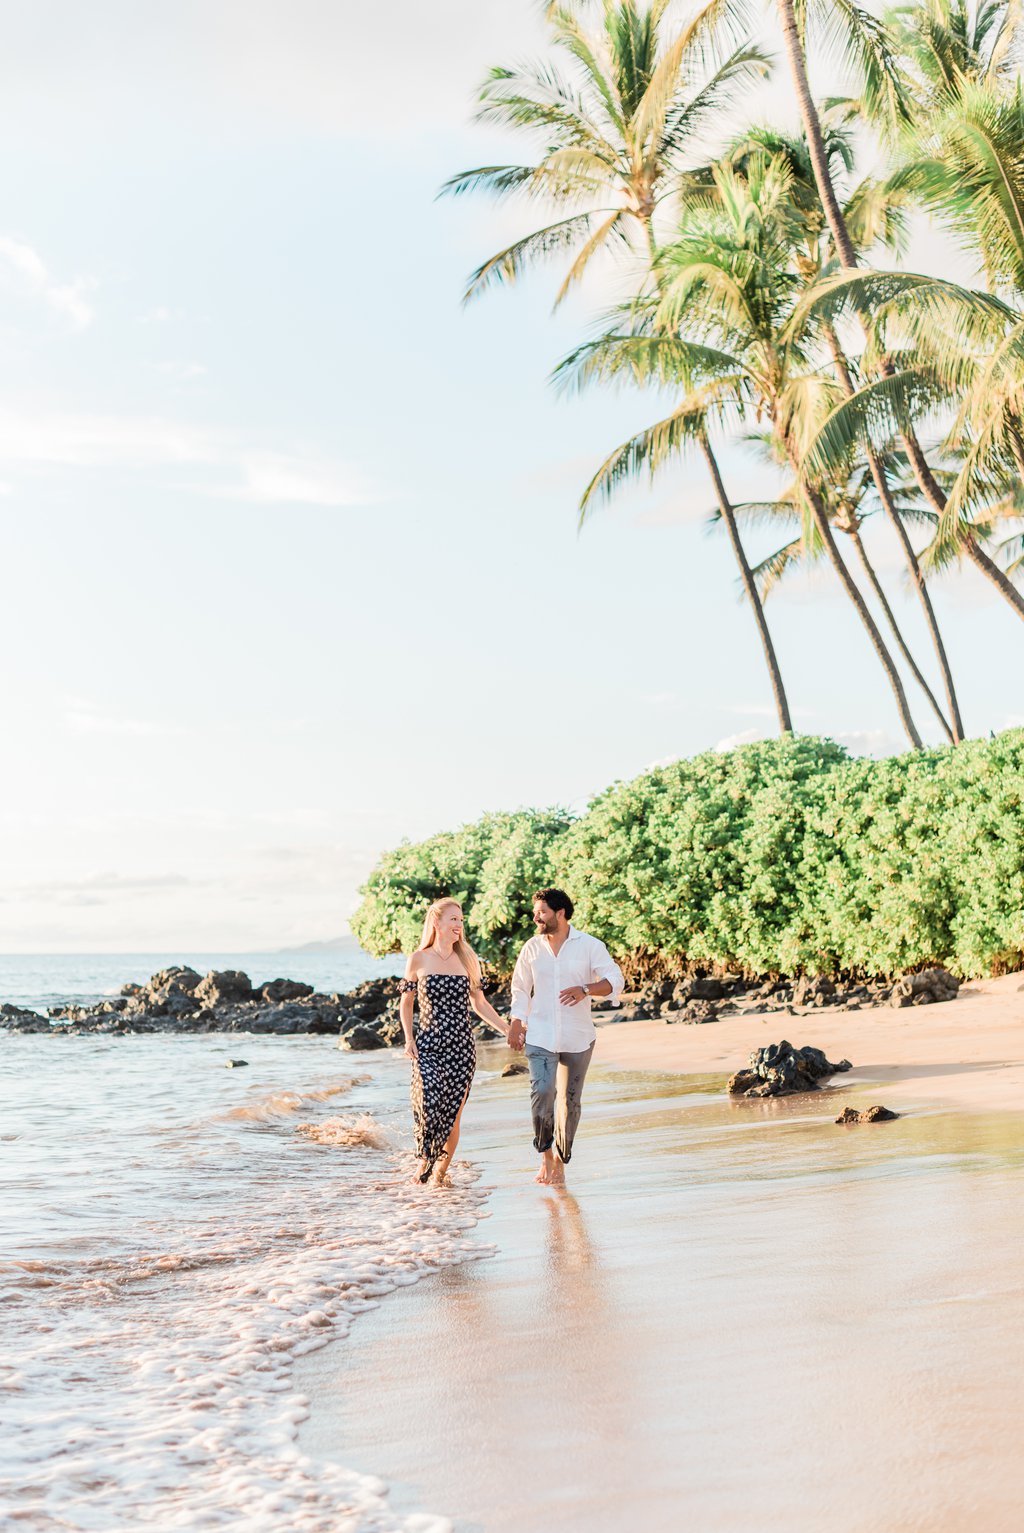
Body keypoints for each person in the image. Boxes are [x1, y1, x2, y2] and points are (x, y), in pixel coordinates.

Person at [508, 888, 623, 1186]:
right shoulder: (531, 948)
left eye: (542, 912)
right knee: (543, 1092)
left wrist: (585, 989)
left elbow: (615, 980)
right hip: (540, 1033)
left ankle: (561, 1161)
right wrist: (516, 1022)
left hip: (578, 1035)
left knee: (570, 1102)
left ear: (560, 913)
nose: (536, 918)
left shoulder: (589, 945)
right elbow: (520, 987)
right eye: (535, 912)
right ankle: (545, 1156)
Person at [399, 898, 510, 1186]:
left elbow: (480, 1004)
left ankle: (439, 1174)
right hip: (428, 1045)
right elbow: (406, 1002)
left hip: (461, 1048)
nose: (459, 925)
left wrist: (506, 1029)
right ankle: (424, 1162)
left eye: (461, 920)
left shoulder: (468, 959)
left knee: (453, 1115)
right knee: (428, 1102)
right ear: (436, 922)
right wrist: (409, 1039)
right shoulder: (418, 959)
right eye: (453, 919)